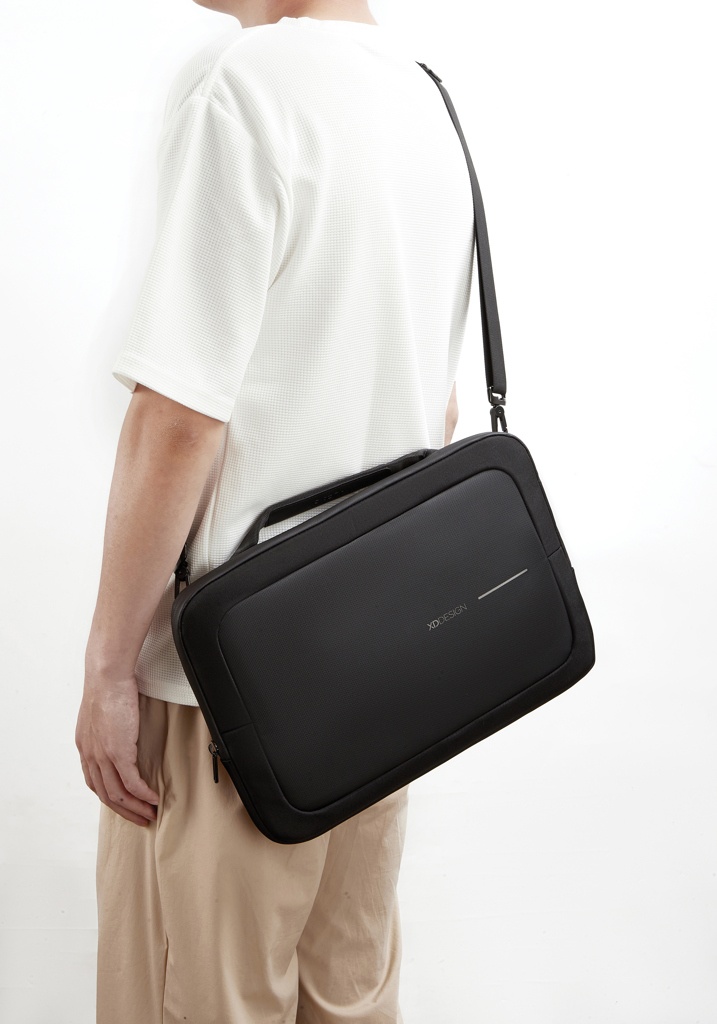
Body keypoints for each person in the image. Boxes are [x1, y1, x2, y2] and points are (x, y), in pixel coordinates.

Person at [75, 0, 472, 1020]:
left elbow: (179, 420)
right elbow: (434, 410)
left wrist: (110, 669)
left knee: (198, 996)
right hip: (384, 674)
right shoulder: (427, 103)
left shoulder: (247, 90)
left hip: (230, 689)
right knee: (346, 995)